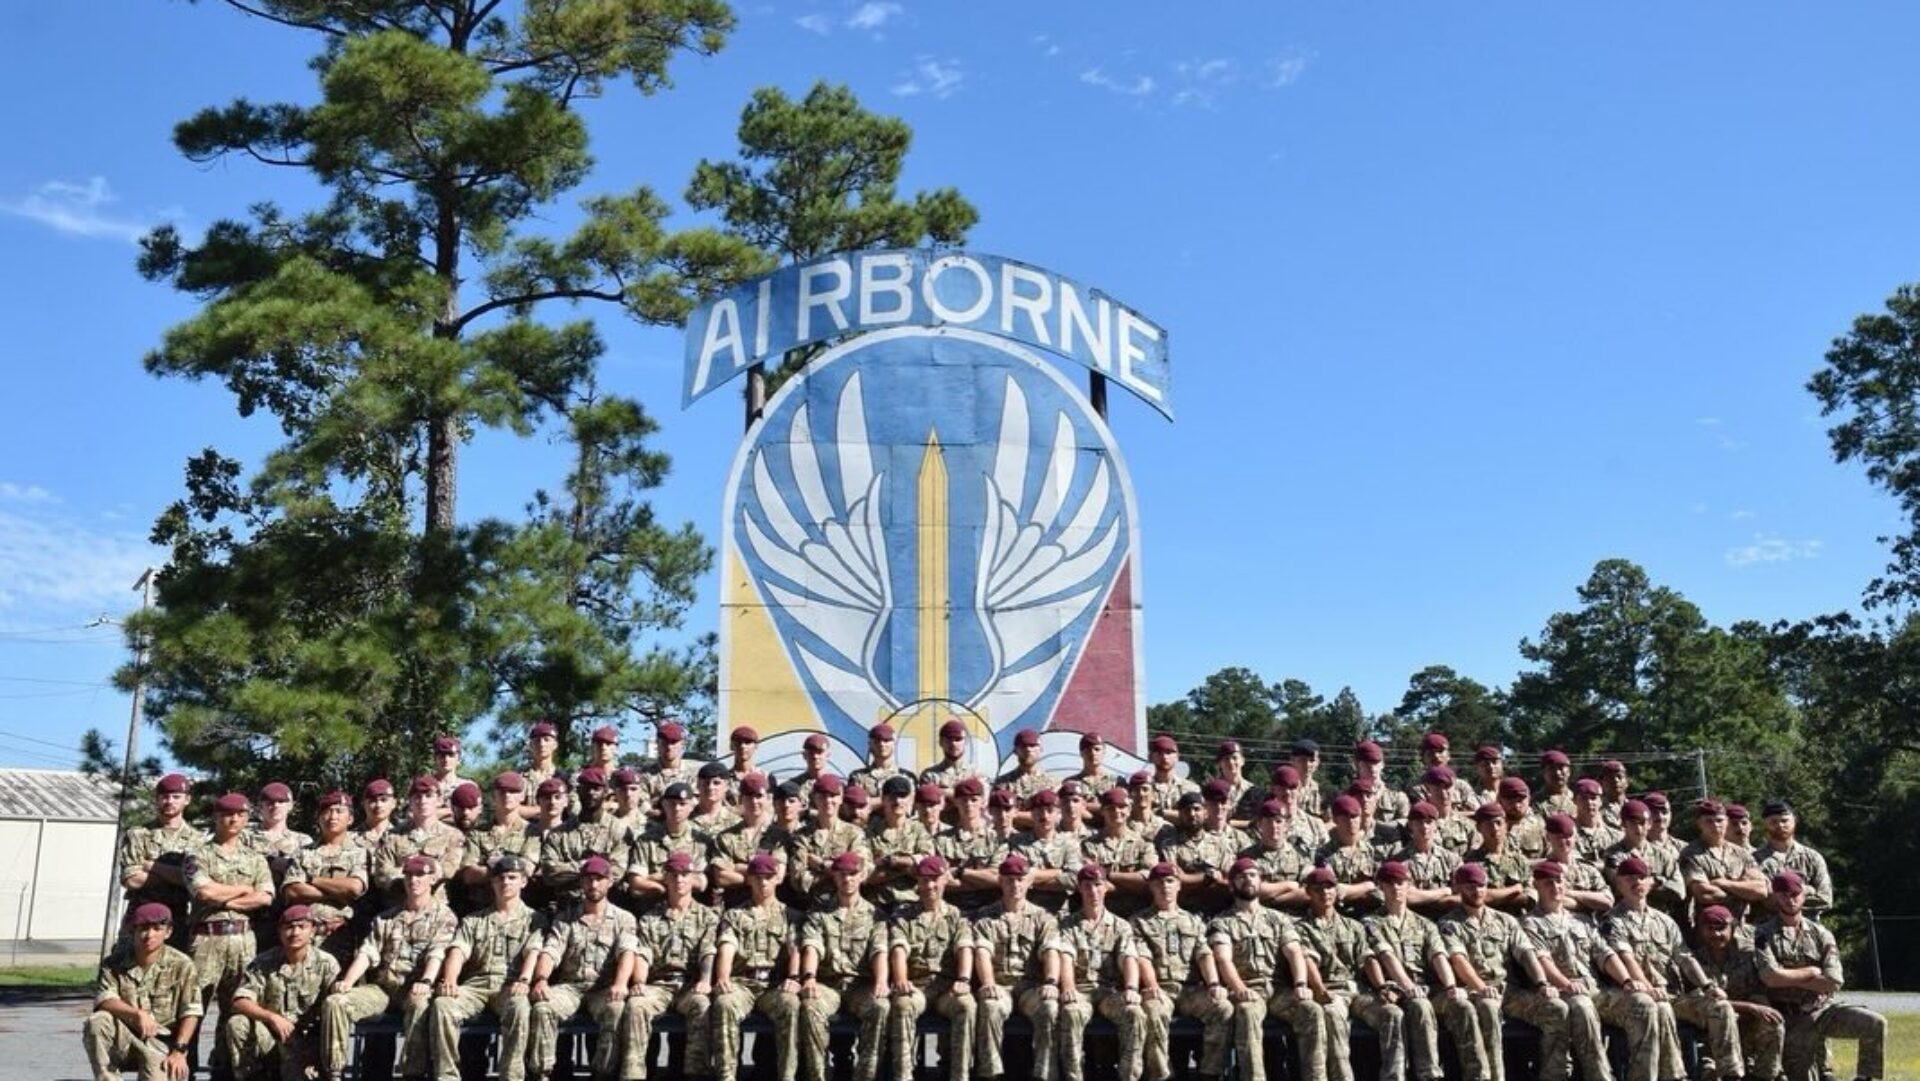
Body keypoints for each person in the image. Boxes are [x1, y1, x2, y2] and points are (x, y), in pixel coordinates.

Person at [320, 854, 457, 1081]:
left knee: (420, 1004)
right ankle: (334, 1072)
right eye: (409, 875)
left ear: (433, 879)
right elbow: (368, 952)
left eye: (420, 875)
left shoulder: (444, 917)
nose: (414, 881)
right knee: (336, 1002)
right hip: (382, 989)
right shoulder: (386, 918)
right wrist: (348, 981)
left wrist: (426, 982)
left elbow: (437, 954)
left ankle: (412, 1073)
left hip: (415, 989)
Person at [1602, 856, 1734, 1081]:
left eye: (1642, 878)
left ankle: (1731, 1074)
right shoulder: (1612, 921)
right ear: (1619, 883)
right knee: (1660, 1008)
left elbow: (1685, 958)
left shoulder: (1665, 921)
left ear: (1651, 883)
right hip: (1635, 995)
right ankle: (1675, 1076)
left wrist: (1707, 985)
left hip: (1673, 995)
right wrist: (1646, 986)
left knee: (1720, 1007)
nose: (1637, 883)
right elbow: (1626, 958)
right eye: (1630, 878)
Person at [1754, 870, 1886, 1081]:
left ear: (1804, 896)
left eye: (1796, 893)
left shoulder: (1821, 934)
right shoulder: (1762, 934)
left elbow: (1834, 981)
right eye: (1784, 894)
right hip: (1790, 1017)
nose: (1791, 899)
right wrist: (1811, 972)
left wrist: (1788, 976)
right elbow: (1769, 977)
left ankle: (1864, 1078)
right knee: (1802, 1076)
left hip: (1822, 1012)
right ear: (1775, 896)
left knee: (1874, 1023)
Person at [1365, 862, 1487, 1081]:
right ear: (1381, 887)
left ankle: (1478, 1075)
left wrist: (1450, 986)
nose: (1396, 888)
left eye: (1401, 882)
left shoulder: (1424, 924)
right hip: (1397, 990)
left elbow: (1438, 955)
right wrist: (1409, 987)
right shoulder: (1372, 922)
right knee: (1420, 1006)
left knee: (1462, 1006)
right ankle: (1428, 1075)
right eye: (1390, 883)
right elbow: (1386, 956)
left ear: (1408, 885)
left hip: (1429, 988)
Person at [432, 854, 546, 1081]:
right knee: (443, 1004)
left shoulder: (535, 919)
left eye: (512, 877)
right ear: (492, 882)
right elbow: (458, 951)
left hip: (510, 985)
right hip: (477, 986)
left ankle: (511, 1076)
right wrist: (450, 979)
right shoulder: (474, 920)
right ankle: (447, 1076)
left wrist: (524, 980)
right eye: (500, 878)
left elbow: (533, 952)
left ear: (523, 881)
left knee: (519, 1006)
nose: (506, 883)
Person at [185, 791, 276, 1073]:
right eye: (226, 814)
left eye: (239, 814)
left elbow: (265, 897)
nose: (233, 819)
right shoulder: (198, 854)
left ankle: (223, 1072)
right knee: (193, 1008)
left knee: (235, 1008)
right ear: (216, 817)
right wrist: (243, 890)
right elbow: (202, 890)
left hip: (242, 938)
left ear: (247, 818)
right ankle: (185, 1067)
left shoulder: (255, 858)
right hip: (206, 938)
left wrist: (224, 897)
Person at [1440, 863, 1557, 1081]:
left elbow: (1526, 954)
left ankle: (1554, 1075)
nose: (1477, 891)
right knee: (1488, 1008)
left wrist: (1541, 983)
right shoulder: (1449, 924)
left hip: (1509, 992)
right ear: (1458, 889)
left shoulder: (1505, 921)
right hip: (1476, 992)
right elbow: (1458, 960)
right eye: (1470, 887)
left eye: (1482, 886)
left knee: (1556, 1009)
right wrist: (1482, 988)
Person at [1207, 858, 1322, 1081]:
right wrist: (1239, 988)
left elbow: (1294, 952)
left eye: (1252, 875)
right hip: (1248, 989)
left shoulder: (1278, 919)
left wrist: (1300, 984)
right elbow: (1223, 959)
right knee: (1248, 1013)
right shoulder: (1222, 922)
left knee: (1312, 1011)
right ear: (1232, 885)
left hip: (1278, 990)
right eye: (1241, 876)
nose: (1247, 879)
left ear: (1261, 881)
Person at [1294, 865, 1399, 1081]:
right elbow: (1308, 961)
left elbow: (1367, 959)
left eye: (1330, 887)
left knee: (1392, 1014)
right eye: (1318, 889)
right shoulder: (1301, 928)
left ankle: (1394, 1076)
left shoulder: (1353, 926)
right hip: (1330, 991)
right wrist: (1320, 990)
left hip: (1357, 990)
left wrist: (1381, 987)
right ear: (1308, 892)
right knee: (1332, 1013)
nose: (1325, 893)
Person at [793, 852, 890, 1081]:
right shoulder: (819, 913)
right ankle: (818, 1076)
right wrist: (808, 978)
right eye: (842, 875)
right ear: (834, 877)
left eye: (853, 874)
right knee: (810, 1006)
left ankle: (865, 1076)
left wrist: (881, 982)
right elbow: (812, 947)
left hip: (860, 986)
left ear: (862, 876)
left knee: (880, 1007)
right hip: (828, 984)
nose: (847, 880)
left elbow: (879, 951)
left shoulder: (875, 915)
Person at [1516, 863, 1618, 1081]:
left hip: (1593, 989)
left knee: (1643, 1005)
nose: (1555, 887)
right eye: (1548, 883)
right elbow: (1542, 960)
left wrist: (1628, 981)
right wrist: (1566, 984)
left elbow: (1605, 955)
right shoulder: (1530, 923)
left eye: (1559, 881)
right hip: (1561, 991)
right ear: (1536, 886)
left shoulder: (1581, 921)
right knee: (1581, 1006)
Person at [1131, 861, 1231, 1081]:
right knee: (1153, 1011)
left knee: (1222, 1008)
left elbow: (1203, 954)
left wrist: (1213, 984)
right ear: (1151, 887)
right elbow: (1141, 957)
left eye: (1170, 881)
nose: (1165, 887)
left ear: (1178, 886)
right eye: (1158, 883)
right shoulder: (1139, 921)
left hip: (1191, 990)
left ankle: (1210, 1073)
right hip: (1160, 988)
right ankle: (1161, 1075)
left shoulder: (1193, 921)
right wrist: (1152, 985)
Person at [84, 902, 202, 1081]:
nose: (149, 935)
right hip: (124, 1038)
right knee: (98, 1021)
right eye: (143, 928)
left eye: (157, 928)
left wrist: (179, 1052)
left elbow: (191, 1011)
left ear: (168, 932)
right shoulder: (114, 963)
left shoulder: (182, 965)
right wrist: (136, 1013)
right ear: (133, 931)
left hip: (161, 1043)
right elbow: (105, 999)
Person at [710, 854, 802, 1081]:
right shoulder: (735, 915)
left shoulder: (791, 916)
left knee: (790, 1003)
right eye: (758, 877)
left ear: (778, 879)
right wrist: (723, 978)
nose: (763, 882)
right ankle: (726, 1076)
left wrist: (794, 977)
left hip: (774, 984)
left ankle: (787, 1076)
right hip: (743, 982)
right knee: (725, 1002)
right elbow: (727, 946)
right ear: (749, 879)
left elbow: (795, 950)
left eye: (769, 877)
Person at [628, 852, 720, 1079]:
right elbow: (644, 954)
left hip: (690, 985)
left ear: (693, 879)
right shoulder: (650, 918)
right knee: (636, 1005)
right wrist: (639, 982)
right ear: (666, 879)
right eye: (674, 875)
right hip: (658, 985)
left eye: (685, 874)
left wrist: (705, 981)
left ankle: (695, 1074)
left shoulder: (707, 917)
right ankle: (634, 1074)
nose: (679, 880)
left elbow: (708, 951)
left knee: (702, 1004)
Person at [1052, 864, 1146, 1081]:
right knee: (1071, 1012)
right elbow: (1065, 958)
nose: (1093, 891)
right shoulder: (1067, 925)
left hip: (1109, 992)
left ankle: (1129, 1076)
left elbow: (1129, 958)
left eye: (1097, 885)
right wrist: (1068, 988)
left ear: (1106, 887)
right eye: (1087, 886)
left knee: (1134, 1013)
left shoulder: (1120, 926)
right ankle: (1074, 1076)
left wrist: (1131, 988)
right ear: (1079, 889)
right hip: (1080, 990)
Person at [224, 906, 339, 1081]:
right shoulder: (263, 962)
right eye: (289, 927)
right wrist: (271, 1017)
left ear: (313, 930)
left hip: (307, 1044)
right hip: (272, 1037)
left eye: (302, 926)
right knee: (238, 1023)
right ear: (279, 931)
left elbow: (333, 1012)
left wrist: (317, 1053)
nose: (295, 932)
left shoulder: (326, 964)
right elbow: (240, 1001)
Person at [888, 855, 977, 1081]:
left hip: (947, 989)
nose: (930, 885)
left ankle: (960, 1075)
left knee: (966, 1005)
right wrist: (901, 979)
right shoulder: (903, 915)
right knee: (903, 1003)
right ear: (917, 882)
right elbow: (899, 949)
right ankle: (904, 1076)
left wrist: (964, 980)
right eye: (924, 880)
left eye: (935, 879)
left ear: (946, 879)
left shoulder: (957, 916)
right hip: (915, 987)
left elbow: (965, 948)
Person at [973, 854, 1061, 1081]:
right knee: (990, 1005)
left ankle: (1045, 1074)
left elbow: (1050, 951)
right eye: (1010, 879)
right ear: (1000, 881)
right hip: (1000, 985)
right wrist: (988, 982)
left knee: (1049, 1007)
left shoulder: (1043, 918)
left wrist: (1051, 981)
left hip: (1031, 987)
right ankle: (990, 1074)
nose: (1015, 885)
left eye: (1021, 879)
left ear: (1030, 882)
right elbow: (982, 953)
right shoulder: (985, 917)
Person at [1693, 904, 1784, 1081]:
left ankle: (1764, 1076)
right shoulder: (1694, 962)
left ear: (1732, 928)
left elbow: (1757, 991)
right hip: (1712, 1027)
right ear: (1701, 930)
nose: (1716, 934)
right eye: (1709, 929)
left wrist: (1762, 1008)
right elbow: (1703, 1001)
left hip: (1745, 1020)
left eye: (1721, 928)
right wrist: (1750, 1007)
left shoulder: (1747, 955)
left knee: (1774, 1021)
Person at [118, 774, 205, 949]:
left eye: (176, 797)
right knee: (126, 967)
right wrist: (178, 874)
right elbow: (132, 880)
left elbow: (194, 882)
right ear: (157, 800)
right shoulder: (139, 834)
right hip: (140, 917)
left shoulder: (198, 840)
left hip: (176, 918)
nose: (169, 801)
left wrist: (152, 866)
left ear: (187, 800)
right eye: (164, 796)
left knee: (174, 971)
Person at [279, 791, 369, 961]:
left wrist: (313, 880)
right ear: (318, 818)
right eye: (326, 812)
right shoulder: (304, 852)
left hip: (339, 935)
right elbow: (292, 891)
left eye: (339, 811)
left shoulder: (359, 852)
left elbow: (354, 888)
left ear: (350, 818)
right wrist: (337, 893)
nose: (332, 816)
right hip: (303, 936)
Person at [370, 779, 464, 905]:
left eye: (429, 796)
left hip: (436, 911)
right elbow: (382, 875)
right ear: (410, 801)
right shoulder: (392, 836)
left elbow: (448, 870)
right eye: (417, 797)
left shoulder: (453, 836)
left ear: (439, 800)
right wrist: (425, 870)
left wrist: (404, 870)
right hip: (397, 909)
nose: (423, 801)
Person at [1680, 800, 1770, 928]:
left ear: (1726, 822)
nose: (1715, 825)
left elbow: (1761, 890)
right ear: (1699, 823)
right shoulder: (1691, 854)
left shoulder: (1741, 854)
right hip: (1710, 929)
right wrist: (1743, 891)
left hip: (1742, 928)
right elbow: (1705, 894)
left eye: (1719, 821)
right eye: (1709, 821)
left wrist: (1724, 883)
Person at [784, 775, 870, 905]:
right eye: (823, 795)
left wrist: (821, 865)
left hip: (846, 906)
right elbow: (799, 881)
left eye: (833, 795)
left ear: (841, 798)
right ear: (814, 798)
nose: (828, 800)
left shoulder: (854, 834)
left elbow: (862, 872)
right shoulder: (802, 837)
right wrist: (842, 873)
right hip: (811, 908)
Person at [707, 773, 786, 907]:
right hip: (736, 910)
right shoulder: (726, 837)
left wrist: (738, 868)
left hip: (769, 911)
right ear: (741, 799)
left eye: (759, 796)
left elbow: (778, 875)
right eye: (749, 796)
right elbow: (721, 877)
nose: (754, 801)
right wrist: (760, 877)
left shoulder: (778, 837)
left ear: (768, 799)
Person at [626, 782, 709, 905]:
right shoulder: (646, 840)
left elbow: (701, 883)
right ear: (664, 805)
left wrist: (658, 877)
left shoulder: (701, 841)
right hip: (652, 908)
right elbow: (636, 882)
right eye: (672, 804)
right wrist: (664, 887)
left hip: (689, 910)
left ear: (691, 806)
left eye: (682, 804)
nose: (677, 809)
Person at [864, 776, 935, 912]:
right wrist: (907, 865)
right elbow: (866, 875)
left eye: (902, 797)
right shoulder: (869, 832)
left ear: (910, 800)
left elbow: (927, 862)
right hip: (876, 905)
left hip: (910, 903)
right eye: (892, 797)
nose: (897, 801)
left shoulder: (918, 830)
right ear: (883, 799)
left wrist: (892, 862)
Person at [1754, 800, 1835, 920]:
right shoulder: (1754, 859)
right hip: (1767, 929)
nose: (1780, 825)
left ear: (1795, 821)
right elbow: (1760, 901)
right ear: (1765, 824)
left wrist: (1780, 899)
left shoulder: (1812, 858)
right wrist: (1806, 890)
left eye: (1784, 821)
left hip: (1808, 928)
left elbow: (1825, 899)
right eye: (1774, 822)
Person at [1007, 788, 1083, 910]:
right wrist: (1057, 872)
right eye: (1039, 811)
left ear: (1058, 814)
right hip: (1027, 911)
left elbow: (1074, 879)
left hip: (1060, 912)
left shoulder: (1069, 842)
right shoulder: (1018, 842)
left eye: (1050, 811)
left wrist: (1033, 877)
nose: (1044, 816)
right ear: (1031, 814)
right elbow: (1017, 877)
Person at [931, 777, 1000, 910]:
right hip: (953, 910)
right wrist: (981, 879)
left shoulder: (996, 840)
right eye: (963, 800)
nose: (969, 804)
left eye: (974, 800)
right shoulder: (941, 840)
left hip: (988, 911)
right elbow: (940, 882)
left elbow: (998, 880)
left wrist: (960, 872)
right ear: (956, 802)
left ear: (983, 802)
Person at [1382, 802, 1461, 918]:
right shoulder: (1399, 862)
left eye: (1429, 822)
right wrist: (1445, 891)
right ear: (1410, 825)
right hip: (1415, 923)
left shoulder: (1452, 859)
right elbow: (1407, 896)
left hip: (1450, 918)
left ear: (1436, 825)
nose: (1425, 827)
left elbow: (1463, 894)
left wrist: (1423, 897)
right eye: (1419, 822)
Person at [1463, 803, 1532, 915]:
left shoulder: (1519, 860)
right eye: (1489, 825)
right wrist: (1515, 889)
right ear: (1479, 828)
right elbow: (1478, 897)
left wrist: (1496, 897)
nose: (1495, 829)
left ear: (1506, 825)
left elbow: (1530, 896)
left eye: (1499, 823)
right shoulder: (1471, 863)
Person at [244, 782, 312, 891]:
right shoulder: (245, 837)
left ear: (290, 806)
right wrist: (271, 862)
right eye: (269, 802)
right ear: (260, 806)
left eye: (281, 801)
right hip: (254, 896)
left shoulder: (303, 841)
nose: (275, 806)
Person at [636, 721, 698, 808]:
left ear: (682, 744)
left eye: (673, 742)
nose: (669, 747)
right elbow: (641, 804)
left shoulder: (693, 774)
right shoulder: (645, 774)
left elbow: (697, 802)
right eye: (665, 743)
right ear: (657, 743)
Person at [993, 728, 1060, 806]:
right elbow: (997, 812)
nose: (1028, 749)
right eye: (1023, 746)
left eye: (1032, 745)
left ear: (1041, 749)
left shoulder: (1053, 784)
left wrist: (1015, 813)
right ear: (1015, 751)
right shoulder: (1002, 783)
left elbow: (1056, 813)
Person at [850, 723, 914, 798]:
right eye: (877, 741)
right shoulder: (858, 777)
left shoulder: (906, 777)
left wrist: (873, 803)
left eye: (886, 740)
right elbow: (855, 804)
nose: (882, 744)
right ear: (870, 744)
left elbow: (908, 803)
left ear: (894, 744)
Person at [1145, 734, 1198, 815]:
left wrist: (1161, 813)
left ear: (1177, 756)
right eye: (1159, 752)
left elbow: (1197, 817)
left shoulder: (1191, 789)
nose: (1164, 757)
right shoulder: (1144, 788)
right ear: (1150, 757)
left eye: (1169, 752)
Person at [356, 779, 399, 851]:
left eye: (383, 800)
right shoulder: (349, 839)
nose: (378, 805)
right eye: (372, 801)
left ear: (393, 803)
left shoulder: (402, 837)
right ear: (363, 804)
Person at [427, 737, 469, 811]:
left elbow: (471, 814)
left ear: (459, 759)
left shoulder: (467, 786)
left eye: (451, 755)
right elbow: (414, 814)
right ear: (434, 758)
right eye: (442, 755)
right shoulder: (426, 785)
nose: (446, 759)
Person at [725, 725, 765, 799]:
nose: (742, 746)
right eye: (738, 742)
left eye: (748, 742)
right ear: (731, 746)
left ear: (756, 746)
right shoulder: (723, 779)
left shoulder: (766, 777)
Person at [1536, 751, 1576, 817]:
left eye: (1561, 768)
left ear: (1569, 772)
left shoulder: (1578, 800)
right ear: (1543, 773)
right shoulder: (1535, 803)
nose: (1557, 773)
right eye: (1552, 768)